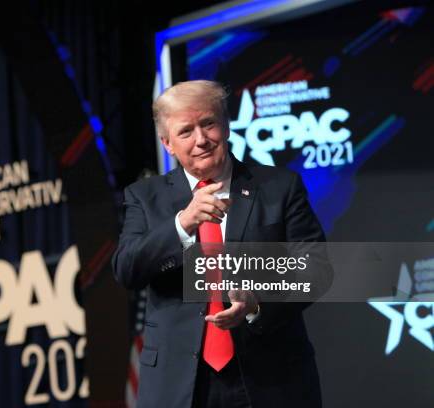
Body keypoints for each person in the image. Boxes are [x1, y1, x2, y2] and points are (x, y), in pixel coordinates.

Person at [112, 80, 328, 408]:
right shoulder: (144, 198)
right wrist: (182, 225)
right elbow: (127, 269)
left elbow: (316, 270)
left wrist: (257, 303)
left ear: (225, 125)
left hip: (271, 377)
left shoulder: (279, 187)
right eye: (186, 131)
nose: (201, 140)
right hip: (180, 383)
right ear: (167, 143)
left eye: (208, 123)